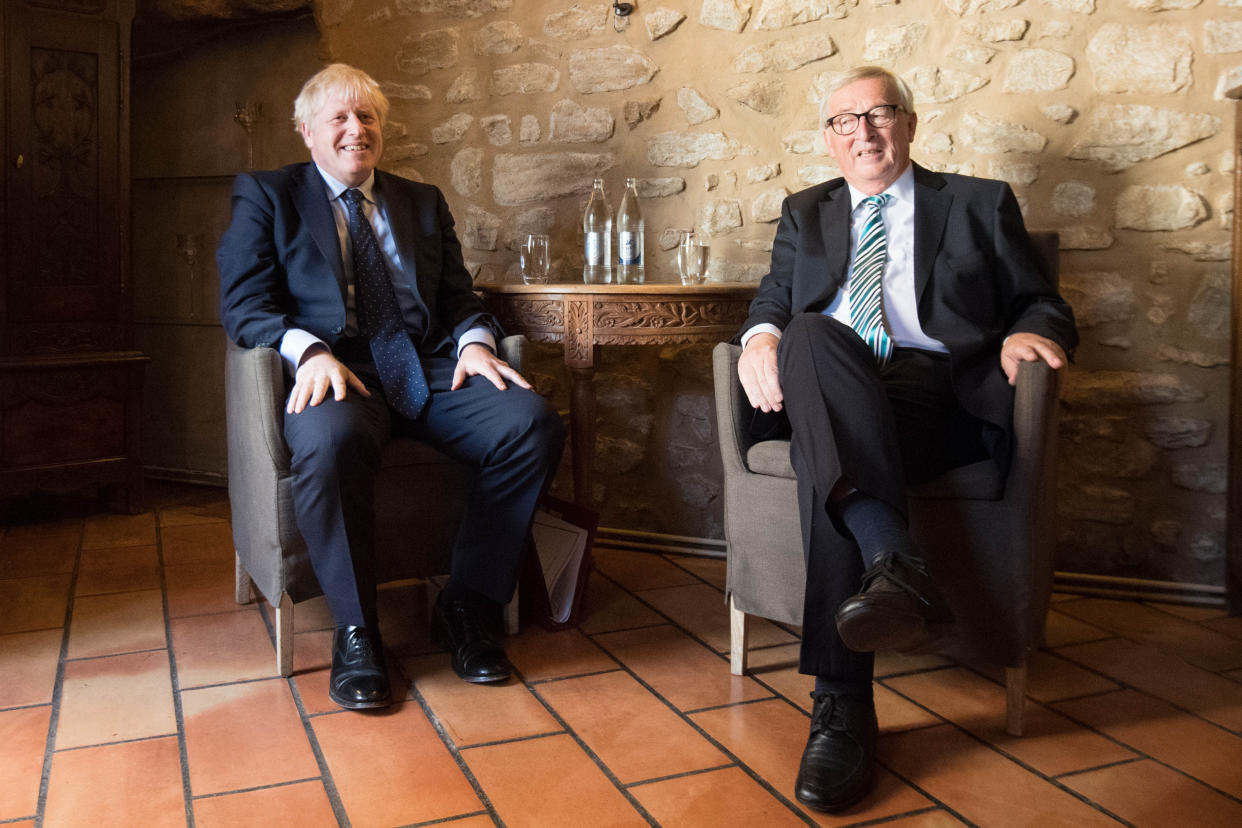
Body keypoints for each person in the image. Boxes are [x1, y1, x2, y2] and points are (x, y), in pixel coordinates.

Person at [735, 66, 1077, 812]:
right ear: (829, 140)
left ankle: (841, 703)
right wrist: (761, 337)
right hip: (832, 380)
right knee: (809, 335)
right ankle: (893, 566)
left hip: (938, 393)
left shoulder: (979, 203)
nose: (864, 131)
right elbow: (771, 297)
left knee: (823, 446)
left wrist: (1026, 332)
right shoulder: (805, 211)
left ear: (911, 124)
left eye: (880, 113)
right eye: (845, 121)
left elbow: (1042, 300)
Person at [217, 64, 563, 711]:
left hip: (427, 363)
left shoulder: (421, 201)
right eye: (340, 118)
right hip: (335, 369)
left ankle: (468, 603)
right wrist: (309, 349)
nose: (357, 130)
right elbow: (243, 306)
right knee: (330, 439)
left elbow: (461, 298)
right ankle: (358, 632)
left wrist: (477, 342)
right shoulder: (268, 196)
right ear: (307, 132)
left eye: (368, 116)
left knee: (532, 423)